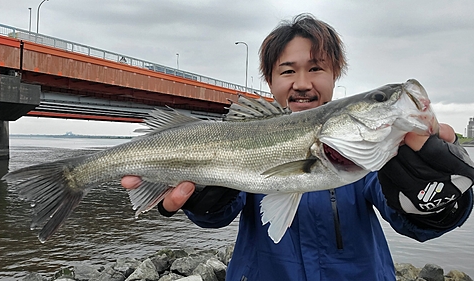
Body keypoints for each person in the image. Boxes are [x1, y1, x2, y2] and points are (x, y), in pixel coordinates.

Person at [122, 14, 474, 281]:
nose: (302, 83)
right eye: (287, 71)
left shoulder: (375, 155)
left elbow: (412, 221)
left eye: (317, 68)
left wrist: (438, 204)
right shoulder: (243, 129)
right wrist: (203, 202)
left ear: (335, 76)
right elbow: (219, 215)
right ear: (270, 80)